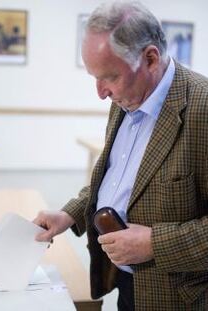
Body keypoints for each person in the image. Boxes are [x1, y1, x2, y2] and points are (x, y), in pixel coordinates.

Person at [34, 2, 208, 310]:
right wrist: (70, 214)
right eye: (94, 77)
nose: (100, 92)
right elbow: (118, 176)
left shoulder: (202, 108)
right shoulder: (127, 96)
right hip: (127, 285)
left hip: (178, 297)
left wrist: (155, 243)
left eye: (109, 77)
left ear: (150, 58)